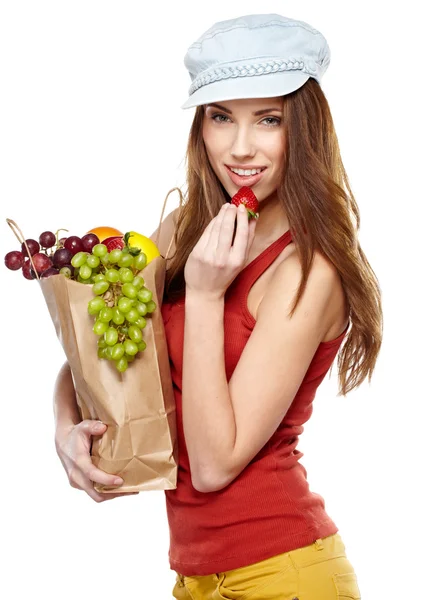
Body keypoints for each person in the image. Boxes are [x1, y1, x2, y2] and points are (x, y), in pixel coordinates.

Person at [53, 13, 382, 600]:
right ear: (200, 127)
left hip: (287, 574)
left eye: (269, 120)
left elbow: (212, 466)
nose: (240, 147)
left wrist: (205, 295)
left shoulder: (310, 269)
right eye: (221, 117)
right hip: (194, 578)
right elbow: (106, 341)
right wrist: (64, 429)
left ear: (303, 129)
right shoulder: (185, 229)